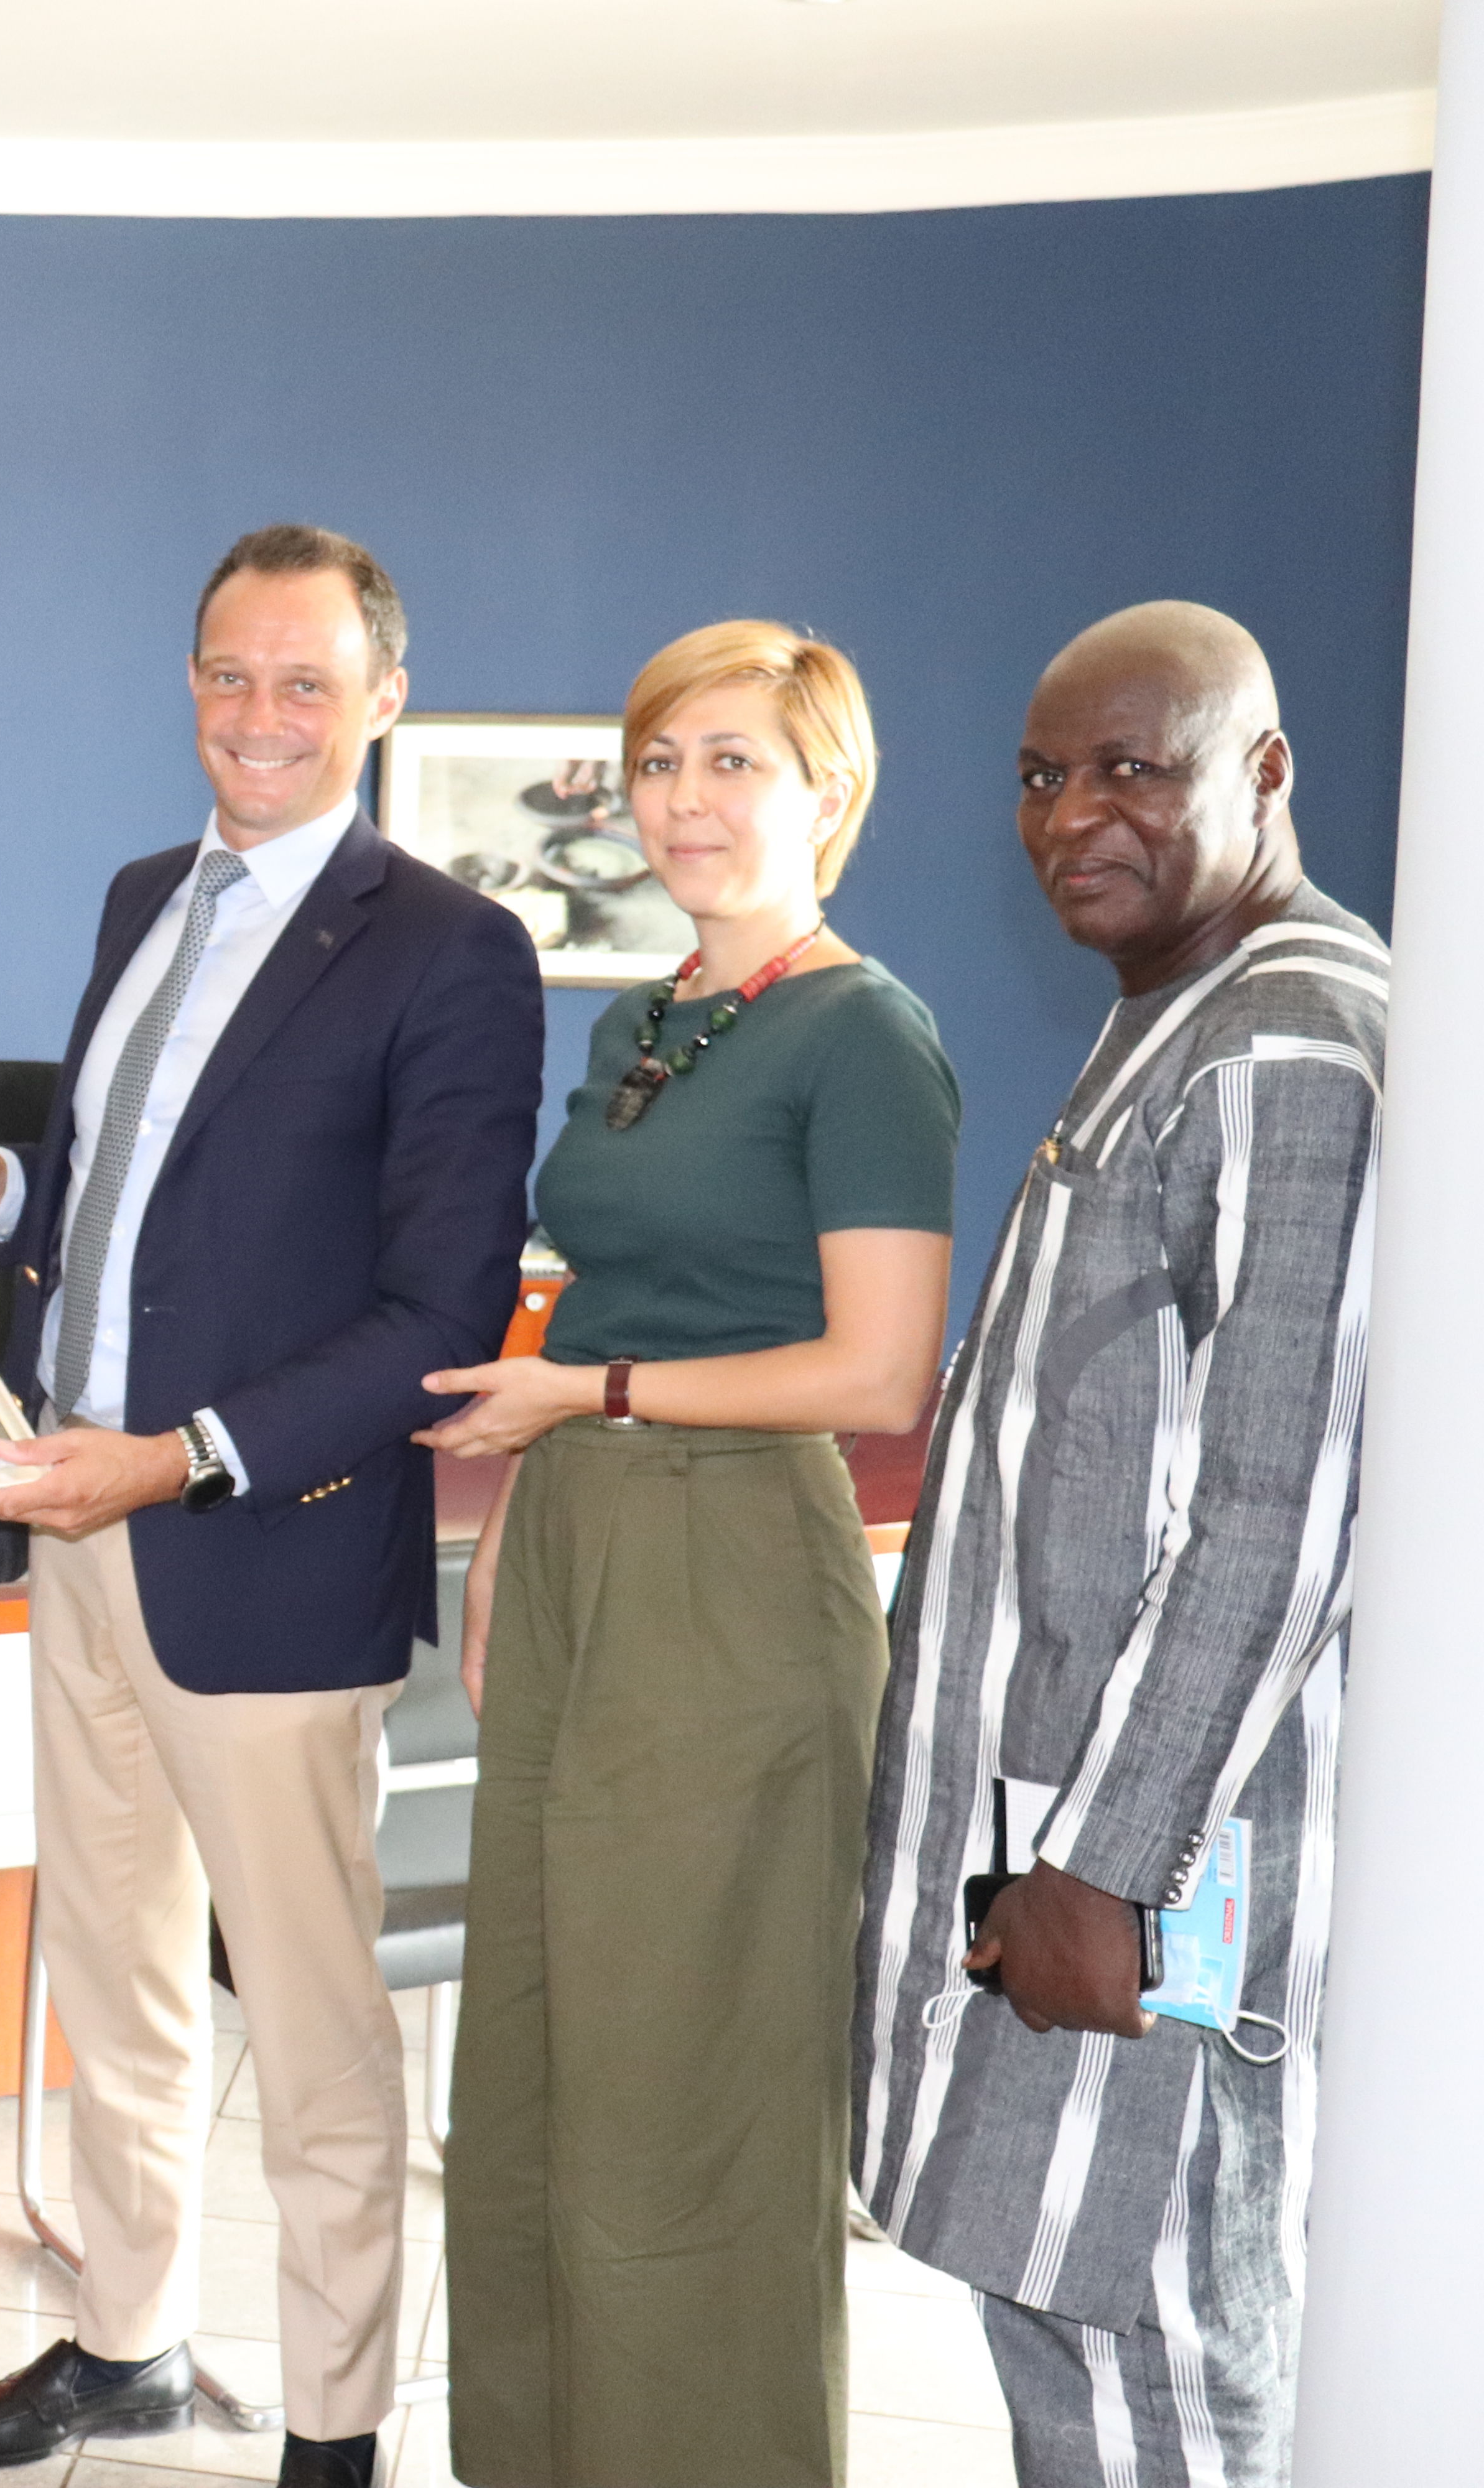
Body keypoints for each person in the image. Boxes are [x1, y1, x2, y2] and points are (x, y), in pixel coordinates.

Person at [0, 525, 544, 2486]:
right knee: (115, 1981)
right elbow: (151, 1208)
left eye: (300, 680)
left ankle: (337, 2429)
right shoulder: (140, 898)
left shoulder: (451, 947)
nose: (254, 715)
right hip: (81, 1535)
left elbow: (436, 1312)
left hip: (255, 1553)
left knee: (318, 2031)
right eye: (225, 673)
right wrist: (6, 1203)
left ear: (381, 699)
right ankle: (126, 2343)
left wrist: (183, 1454)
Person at [419, 622, 958, 2488]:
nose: (689, 801)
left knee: (690, 2094)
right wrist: (508, 1532)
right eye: (662, 763)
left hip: (733, 1578)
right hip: (580, 1543)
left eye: (737, 763)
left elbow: (878, 1366)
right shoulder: (651, 1017)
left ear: (832, 790)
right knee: (547, 2069)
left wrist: (588, 1403)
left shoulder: (861, 1031)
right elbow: (589, 1313)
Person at [853, 603, 1381, 2488]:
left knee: (1160, 2371)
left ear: (1265, 773)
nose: (1075, 811)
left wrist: (1109, 1869)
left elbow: (1281, 1513)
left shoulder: (1295, 1048)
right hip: (1060, 1850)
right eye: (1041, 775)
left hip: (1153, 1889)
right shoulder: (1177, 1017)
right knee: (1063, 2348)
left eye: (1132, 766)